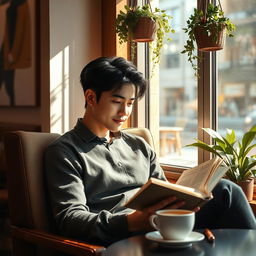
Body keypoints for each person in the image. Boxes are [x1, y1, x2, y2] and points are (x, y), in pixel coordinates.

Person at [44, 56, 256, 246]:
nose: (124, 112)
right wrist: (131, 222)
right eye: (117, 102)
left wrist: (189, 199)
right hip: (121, 236)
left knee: (227, 191)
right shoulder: (64, 151)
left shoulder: (139, 146)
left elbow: (164, 192)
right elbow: (70, 218)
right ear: (91, 98)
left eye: (130, 103)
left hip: (162, 224)